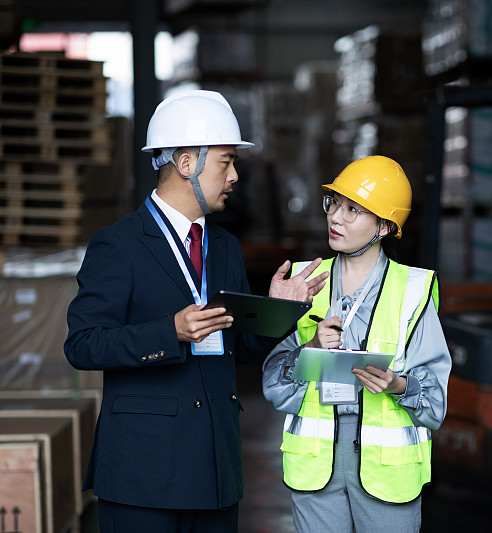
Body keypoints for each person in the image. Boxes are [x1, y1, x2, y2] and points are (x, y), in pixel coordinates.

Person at [64, 90, 328, 533]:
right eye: (226, 162)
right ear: (186, 163)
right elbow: (83, 344)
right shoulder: (119, 244)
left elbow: (241, 344)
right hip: (142, 475)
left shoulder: (224, 247)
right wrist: (170, 332)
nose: (235, 176)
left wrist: (280, 312)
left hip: (215, 471)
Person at [262, 155, 451, 533]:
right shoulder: (303, 281)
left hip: (387, 475)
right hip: (315, 470)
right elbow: (274, 387)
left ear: (383, 226)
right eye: (334, 204)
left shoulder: (412, 291)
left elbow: (435, 405)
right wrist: (310, 347)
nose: (335, 217)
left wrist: (399, 385)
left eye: (353, 210)